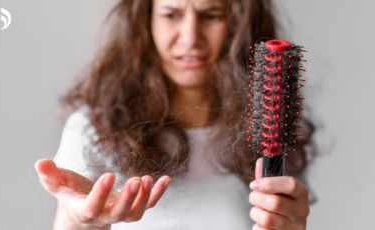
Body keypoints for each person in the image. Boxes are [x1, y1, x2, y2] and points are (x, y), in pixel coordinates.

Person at [35, 0, 314, 229]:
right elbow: (74, 215)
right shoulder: (94, 128)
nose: (190, 37)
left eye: (211, 15)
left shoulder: (272, 131)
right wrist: (80, 218)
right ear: (146, 22)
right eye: (171, 15)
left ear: (239, 23)